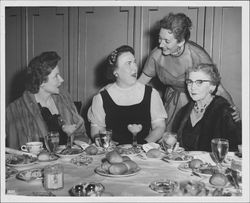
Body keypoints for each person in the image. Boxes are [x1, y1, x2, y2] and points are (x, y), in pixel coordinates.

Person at [138, 12, 240, 131]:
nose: (160, 45)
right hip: (171, 102)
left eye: (167, 41)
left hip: (195, 102)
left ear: (181, 42)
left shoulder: (198, 55)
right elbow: (140, 83)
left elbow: (219, 89)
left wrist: (233, 109)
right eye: (160, 39)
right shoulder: (156, 55)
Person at [6, 51, 90, 150]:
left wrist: (75, 139)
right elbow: (15, 152)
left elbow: (82, 135)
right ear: (41, 82)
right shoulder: (15, 110)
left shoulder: (64, 98)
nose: (61, 80)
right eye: (56, 76)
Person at [88, 45, 167, 145]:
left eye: (134, 62)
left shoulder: (151, 94)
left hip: (143, 154)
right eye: (128, 63)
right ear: (115, 72)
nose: (134, 67)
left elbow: (159, 127)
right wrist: (106, 143)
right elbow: (96, 130)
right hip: (113, 153)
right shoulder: (101, 98)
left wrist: (144, 145)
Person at [172, 63, 241, 151]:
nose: (192, 87)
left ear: (212, 86)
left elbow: (237, 149)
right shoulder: (183, 112)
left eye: (199, 82)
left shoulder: (224, 112)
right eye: (189, 82)